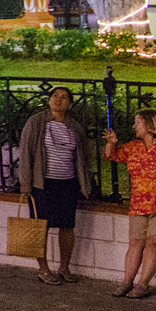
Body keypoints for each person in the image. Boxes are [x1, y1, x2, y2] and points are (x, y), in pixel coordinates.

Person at [104, 108, 156, 298]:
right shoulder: (133, 147)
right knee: (135, 243)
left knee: (153, 242)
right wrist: (111, 143)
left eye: (137, 122)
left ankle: (142, 284)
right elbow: (111, 155)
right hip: (138, 205)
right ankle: (126, 282)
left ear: (149, 124)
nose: (133, 126)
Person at [19, 86, 92, 284]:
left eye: (63, 98)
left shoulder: (74, 128)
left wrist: (85, 185)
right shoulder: (36, 122)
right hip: (43, 184)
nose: (58, 100)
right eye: (54, 96)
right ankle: (43, 269)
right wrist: (25, 186)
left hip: (67, 183)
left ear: (69, 104)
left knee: (67, 226)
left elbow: (83, 158)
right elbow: (25, 154)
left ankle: (64, 267)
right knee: (39, 227)